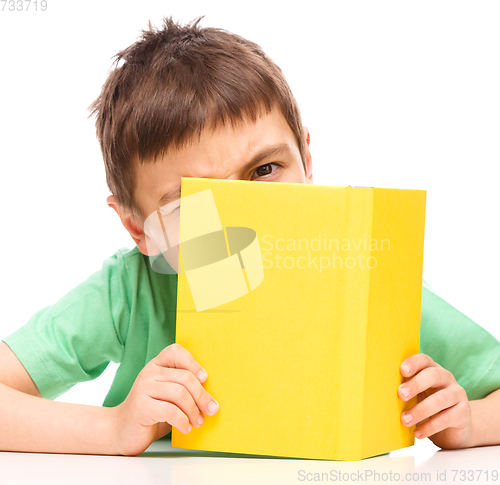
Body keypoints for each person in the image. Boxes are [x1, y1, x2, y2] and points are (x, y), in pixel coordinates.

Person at [1, 16, 499, 457]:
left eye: (264, 169)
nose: (246, 218)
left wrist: (469, 421)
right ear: (139, 229)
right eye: (194, 201)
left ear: (306, 161)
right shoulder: (131, 292)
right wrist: (111, 428)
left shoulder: (361, 279)